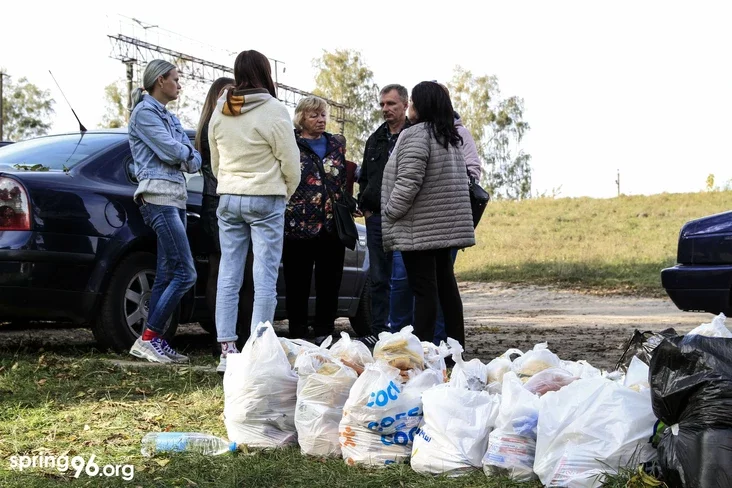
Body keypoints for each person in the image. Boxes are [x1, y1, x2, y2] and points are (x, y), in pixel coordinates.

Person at [209, 50, 300, 373]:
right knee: (264, 277)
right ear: (265, 72)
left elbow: (216, 158)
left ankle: (226, 351)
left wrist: (228, 183)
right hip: (265, 197)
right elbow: (290, 161)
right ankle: (258, 352)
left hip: (229, 196)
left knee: (229, 273)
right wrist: (285, 191)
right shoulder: (273, 109)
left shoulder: (223, 108)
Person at [381, 81, 475, 347]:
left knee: (424, 291)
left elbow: (408, 181)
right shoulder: (448, 136)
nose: (410, 105)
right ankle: (455, 350)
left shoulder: (417, 135)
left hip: (419, 229)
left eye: (412, 101)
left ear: (421, 105)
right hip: (443, 228)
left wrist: (390, 212)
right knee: (446, 289)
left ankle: (421, 352)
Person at [127, 59, 202, 363]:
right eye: (175, 79)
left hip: (177, 198)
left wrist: (183, 154)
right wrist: (183, 154)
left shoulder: (169, 117)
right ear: (160, 80)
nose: (179, 85)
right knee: (186, 272)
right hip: (158, 198)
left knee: (167, 273)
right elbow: (172, 151)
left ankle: (154, 340)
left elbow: (194, 160)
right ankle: (148, 337)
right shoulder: (144, 113)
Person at [194, 76, 256, 353]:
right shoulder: (218, 124)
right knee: (226, 271)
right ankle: (230, 337)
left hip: (218, 200)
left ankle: (231, 337)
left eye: (236, 92)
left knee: (229, 272)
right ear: (216, 96)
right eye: (227, 92)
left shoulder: (211, 124)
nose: (233, 97)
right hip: (222, 200)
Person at [283, 96, 350, 342]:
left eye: (323, 115)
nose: (321, 120)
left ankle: (324, 332)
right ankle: (298, 334)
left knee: (330, 283)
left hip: (331, 226)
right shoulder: (290, 143)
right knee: (297, 284)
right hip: (297, 225)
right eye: (314, 115)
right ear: (302, 118)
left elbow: (343, 179)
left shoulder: (336, 144)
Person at [357, 84, 411, 346]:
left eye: (391, 104)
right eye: (382, 104)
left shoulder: (415, 135)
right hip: (377, 217)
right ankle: (379, 332)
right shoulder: (375, 138)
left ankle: (406, 332)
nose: (385, 109)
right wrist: (366, 210)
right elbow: (365, 177)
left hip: (407, 218)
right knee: (378, 278)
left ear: (405, 105)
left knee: (404, 278)